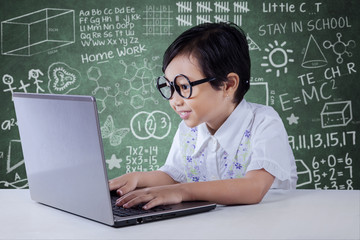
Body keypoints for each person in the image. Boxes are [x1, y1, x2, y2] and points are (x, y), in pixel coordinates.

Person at [109, 22, 298, 210]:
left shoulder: (264, 122)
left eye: (184, 87)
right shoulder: (188, 129)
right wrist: (137, 179)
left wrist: (183, 191)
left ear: (228, 85)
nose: (174, 100)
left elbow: (254, 188)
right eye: (170, 87)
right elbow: (174, 176)